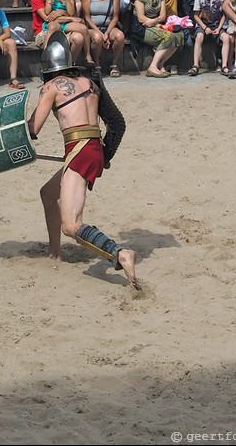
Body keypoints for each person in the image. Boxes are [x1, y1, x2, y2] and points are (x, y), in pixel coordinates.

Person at [28, 30, 138, 289]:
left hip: (78, 151)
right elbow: (116, 124)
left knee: (72, 225)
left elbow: (33, 129)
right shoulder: (91, 83)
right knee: (47, 194)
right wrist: (104, 156)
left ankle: (121, 253)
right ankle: (54, 252)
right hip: (94, 149)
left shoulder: (51, 87)